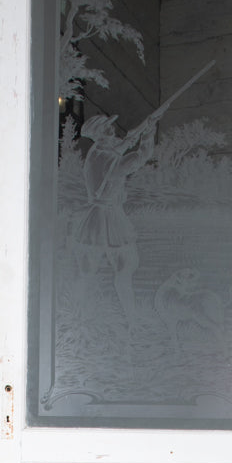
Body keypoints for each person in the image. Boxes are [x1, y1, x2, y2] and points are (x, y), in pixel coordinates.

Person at [72, 111, 157, 322]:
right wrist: (147, 134)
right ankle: (129, 318)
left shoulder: (98, 152)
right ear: (100, 135)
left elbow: (118, 149)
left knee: (94, 271)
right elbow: (139, 158)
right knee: (122, 268)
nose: (113, 130)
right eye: (108, 129)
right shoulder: (107, 158)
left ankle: (82, 318)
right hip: (108, 216)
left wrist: (134, 136)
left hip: (98, 217)